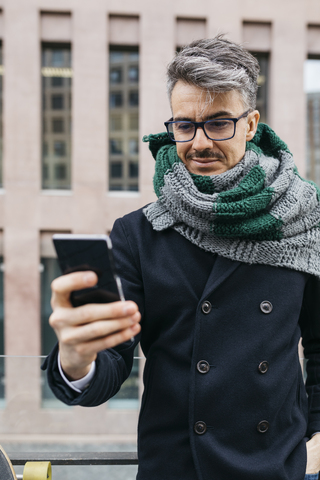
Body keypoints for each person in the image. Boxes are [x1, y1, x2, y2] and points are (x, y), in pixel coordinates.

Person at [42, 35, 320, 480]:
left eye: (219, 123)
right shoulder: (138, 234)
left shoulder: (303, 219)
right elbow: (111, 364)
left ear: (250, 125)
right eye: (186, 125)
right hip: (175, 468)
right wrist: (77, 358)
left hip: (276, 466)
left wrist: (317, 441)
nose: (200, 142)